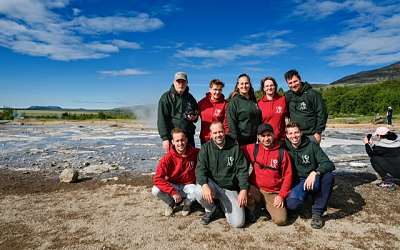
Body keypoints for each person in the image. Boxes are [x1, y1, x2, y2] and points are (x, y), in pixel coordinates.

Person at [195, 121, 249, 228]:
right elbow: (200, 170)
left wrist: (243, 189)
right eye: (215, 133)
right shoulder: (206, 148)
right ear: (211, 134)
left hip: (229, 188)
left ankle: (221, 207)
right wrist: (205, 185)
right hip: (213, 185)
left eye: (220, 132)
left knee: (238, 223)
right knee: (199, 191)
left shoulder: (235, 148)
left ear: (224, 132)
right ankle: (211, 209)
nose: (218, 135)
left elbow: (242, 171)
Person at [283, 121, 335, 229]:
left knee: (328, 176)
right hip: (297, 182)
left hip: (312, 179)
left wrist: (315, 172)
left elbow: (329, 164)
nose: (294, 136)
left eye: (296, 132)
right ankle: (303, 198)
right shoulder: (284, 148)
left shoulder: (312, 146)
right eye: (291, 133)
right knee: (293, 205)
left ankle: (317, 212)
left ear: (301, 133)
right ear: (287, 135)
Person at [241, 123, 292, 226]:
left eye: (269, 135)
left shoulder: (282, 153)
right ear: (258, 137)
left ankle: (266, 206)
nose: (266, 139)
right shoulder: (252, 149)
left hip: (273, 192)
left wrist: (281, 196)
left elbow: (288, 177)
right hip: (256, 189)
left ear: (273, 135)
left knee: (281, 221)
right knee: (243, 189)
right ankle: (252, 208)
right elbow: (234, 149)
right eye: (263, 136)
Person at [152, 128, 200, 216]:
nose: (180, 143)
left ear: (186, 140)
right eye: (177, 141)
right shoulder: (167, 158)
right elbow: (157, 179)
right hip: (173, 184)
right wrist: (173, 192)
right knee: (155, 190)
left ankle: (187, 204)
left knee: (198, 191)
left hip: (188, 185)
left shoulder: (196, 152)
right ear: (172, 142)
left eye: (182, 140)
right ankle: (170, 202)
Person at [157, 72, 199, 153]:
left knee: (190, 161)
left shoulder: (190, 98)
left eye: (183, 82)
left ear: (187, 83)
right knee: (173, 163)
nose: (181, 84)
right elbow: (162, 119)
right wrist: (165, 139)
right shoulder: (166, 98)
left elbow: (196, 115)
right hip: (173, 138)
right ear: (174, 82)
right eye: (178, 82)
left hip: (188, 137)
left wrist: (194, 118)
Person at [284, 70, 328, 144]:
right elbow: (286, 112)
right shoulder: (288, 96)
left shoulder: (312, 94)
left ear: (300, 79)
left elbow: (322, 114)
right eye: (290, 83)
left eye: (295, 81)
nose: (293, 85)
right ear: (287, 84)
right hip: (294, 135)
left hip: (311, 135)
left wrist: (318, 132)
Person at [227, 73, 262, 145]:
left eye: (246, 83)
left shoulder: (253, 100)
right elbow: (231, 123)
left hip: (254, 139)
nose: (244, 86)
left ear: (249, 84)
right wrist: (234, 141)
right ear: (238, 85)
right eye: (242, 83)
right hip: (241, 140)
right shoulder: (234, 101)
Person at [364, 127, 400, 191]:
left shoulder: (382, 146)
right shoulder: (398, 139)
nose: (376, 137)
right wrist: (372, 144)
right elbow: (381, 151)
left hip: (398, 171)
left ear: (379, 136)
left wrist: (366, 144)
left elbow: (371, 154)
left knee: (374, 159)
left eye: (377, 135)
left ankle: (388, 182)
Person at [198, 79, 229, 145]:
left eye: (219, 90)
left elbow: (226, 123)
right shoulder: (201, 103)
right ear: (210, 89)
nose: (217, 92)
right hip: (205, 138)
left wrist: (226, 136)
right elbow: (195, 117)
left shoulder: (225, 104)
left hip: (219, 138)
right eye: (215, 89)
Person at [258, 76, 288, 142]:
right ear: (263, 88)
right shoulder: (259, 103)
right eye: (267, 86)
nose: (269, 88)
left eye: (271, 85)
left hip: (281, 139)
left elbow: (290, 115)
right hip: (266, 140)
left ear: (275, 86)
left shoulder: (282, 99)